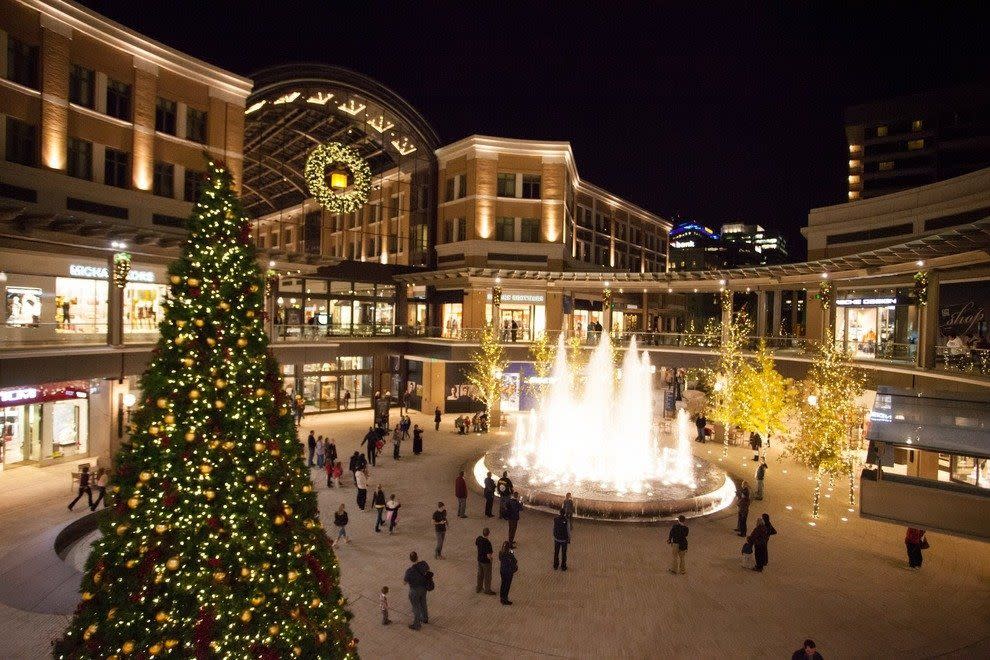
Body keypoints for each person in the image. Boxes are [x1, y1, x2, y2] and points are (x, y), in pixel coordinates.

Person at [403, 551, 432, 630]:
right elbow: (428, 571)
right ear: (417, 557)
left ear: (410, 559)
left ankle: (417, 624)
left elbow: (404, 582)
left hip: (414, 591)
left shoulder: (409, 571)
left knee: (416, 607)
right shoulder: (424, 564)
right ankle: (425, 619)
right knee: (423, 603)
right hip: (424, 588)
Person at [475, 527, 496, 595]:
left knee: (480, 574)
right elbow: (488, 555)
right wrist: (491, 559)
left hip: (479, 559)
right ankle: (487, 590)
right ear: (488, 533)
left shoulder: (479, 539)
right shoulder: (488, 543)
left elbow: (476, 544)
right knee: (487, 576)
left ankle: (479, 587)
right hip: (486, 562)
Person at [498, 541, 518, 605]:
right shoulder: (509, 554)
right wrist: (512, 552)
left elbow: (500, 559)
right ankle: (505, 599)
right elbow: (515, 561)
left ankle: (501, 597)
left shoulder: (500, 552)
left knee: (503, 583)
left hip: (502, 570)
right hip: (508, 572)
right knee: (507, 586)